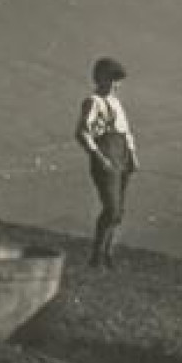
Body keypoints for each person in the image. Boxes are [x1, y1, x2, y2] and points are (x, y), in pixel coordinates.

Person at [75, 56, 140, 269]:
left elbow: (126, 131)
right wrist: (99, 157)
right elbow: (83, 132)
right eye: (110, 79)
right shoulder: (93, 102)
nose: (114, 84)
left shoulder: (116, 102)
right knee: (111, 209)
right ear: (99, 78)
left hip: (121, 154)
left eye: (117, 80)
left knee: (119, 211)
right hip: (105, 154)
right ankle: (97, 255)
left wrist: (132, 154)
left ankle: (108, 254)